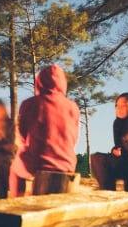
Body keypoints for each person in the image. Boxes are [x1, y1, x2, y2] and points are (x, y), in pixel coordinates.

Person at [9, 64, 80, 197]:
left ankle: (16, 201)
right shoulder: (73, 107)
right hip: (67, 163)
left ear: (39, 82)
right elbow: (74, 137)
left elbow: (22, 135)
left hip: (38, 163)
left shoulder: (30, 104)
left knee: (14, 169)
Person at [90, 93, 128, 190]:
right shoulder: (117, 123)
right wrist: (115, 150)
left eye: (124, 105)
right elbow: (119, 145)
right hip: (123, 159)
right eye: (117, 105)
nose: (119, 108)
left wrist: (125, 150)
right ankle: (108, 192)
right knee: (97, 158)